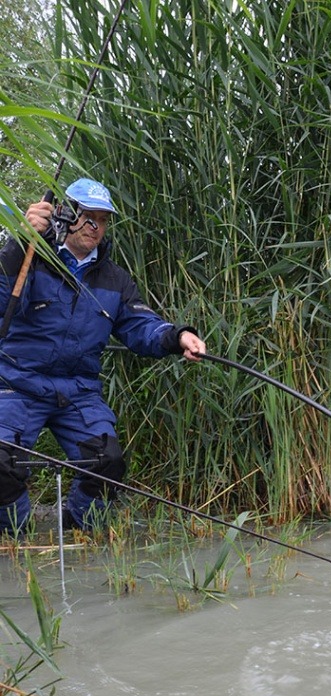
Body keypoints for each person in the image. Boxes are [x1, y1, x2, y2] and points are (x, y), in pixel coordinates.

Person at [0, 177, 206, 531]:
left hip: (79, 391)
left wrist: (179, 337)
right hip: (16, 384)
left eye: (103, 219)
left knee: (107, 460)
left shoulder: (116, 279)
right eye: (88, 217)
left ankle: (82, 527)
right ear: (65, 215)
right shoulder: (29, 258)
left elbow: (141, 326)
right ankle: (15, 533)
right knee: (0, 461)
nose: (96, 227)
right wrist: (19, 243)